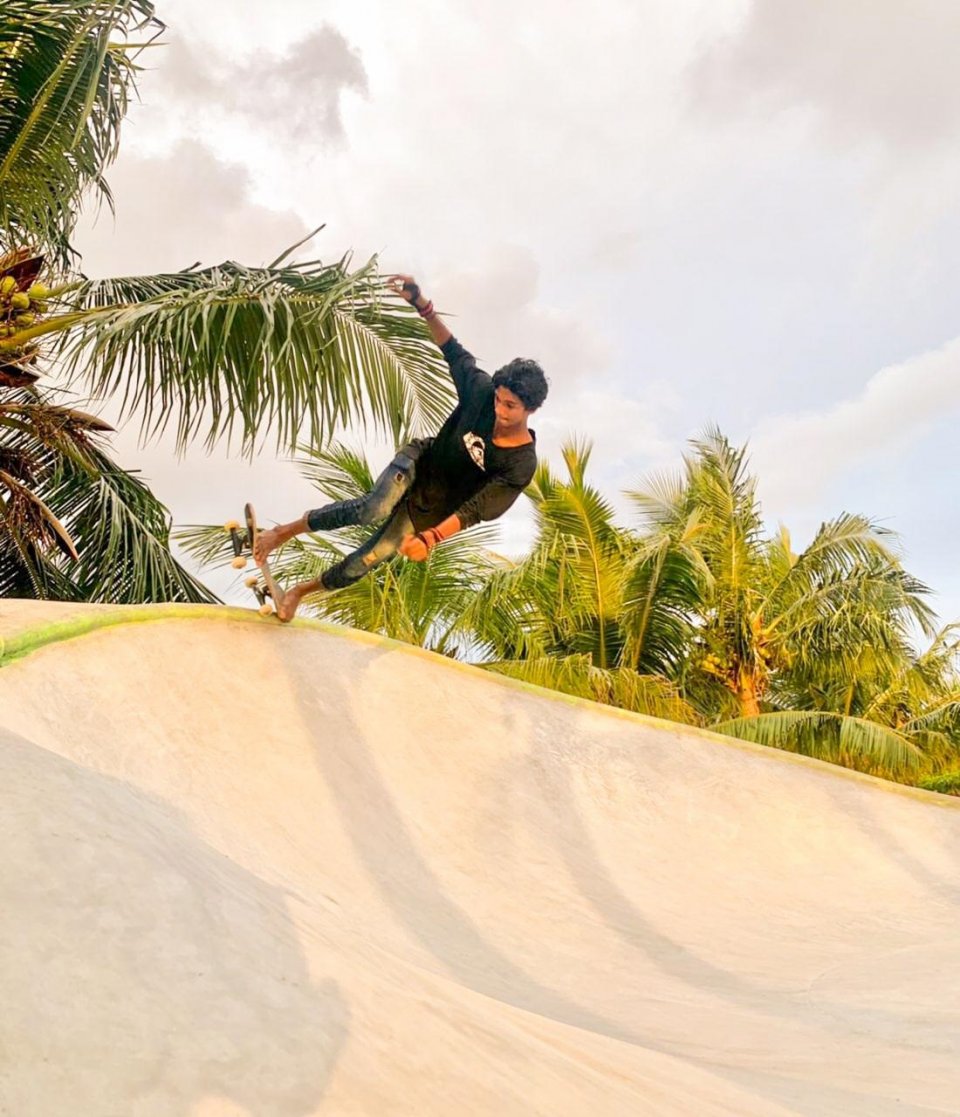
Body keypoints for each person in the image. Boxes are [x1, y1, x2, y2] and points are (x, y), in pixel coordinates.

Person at [253, 274, 549, 622]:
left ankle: (299, 592)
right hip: (419, 462)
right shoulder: (482, 391)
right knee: (373, 509)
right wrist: (422, 305)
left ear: (530, 409)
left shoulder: (520, 464)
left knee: (367, 560)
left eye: (510, 407)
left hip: (430, 511)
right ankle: (280, 533)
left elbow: (474, 510)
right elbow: (453, 350)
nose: (499, 411)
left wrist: (431, 538)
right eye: (499, 400)